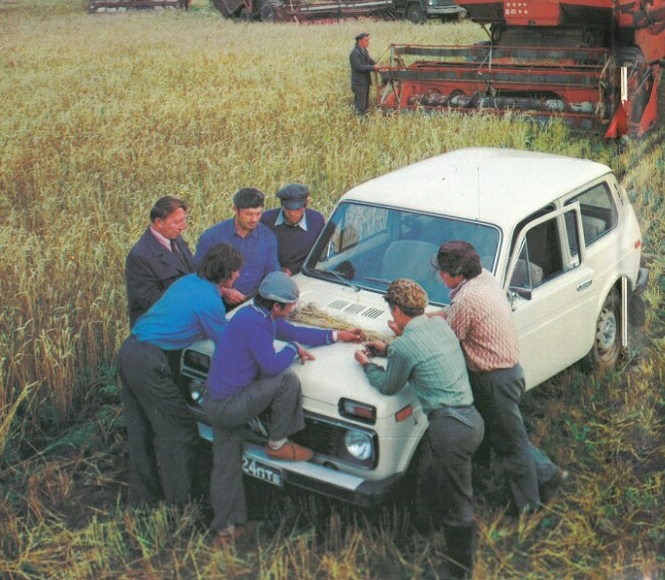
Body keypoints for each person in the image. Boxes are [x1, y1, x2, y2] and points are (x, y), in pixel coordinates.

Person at [204, 271, 363, 545]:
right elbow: (273, 365)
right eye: (290, 305)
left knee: (225, 465)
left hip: (215, 402)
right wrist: (292, 349)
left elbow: (294, 330)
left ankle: (226, 530)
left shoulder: (252, 315)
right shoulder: (257, 326)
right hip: (230, 405)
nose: (294, 309)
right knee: (286, 378)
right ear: (276, 306)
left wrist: (338, 334)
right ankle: (277, 443)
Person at [355, 279, 484, 579]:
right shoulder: (440, 327)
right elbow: (421, 352)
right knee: (433, 481)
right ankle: (424, 533)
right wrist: (388, 349)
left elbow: (389, 386)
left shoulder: (404, 345)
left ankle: (458, 570)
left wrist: (366, 363)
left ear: (396, 312)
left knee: (458, 500)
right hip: (471, 420)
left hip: (450, 429)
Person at [431, 240, 563, 515]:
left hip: (494, 380)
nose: (439, 276)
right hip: (505, 374)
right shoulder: (484, 279)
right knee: (508, 437)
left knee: (512, 448)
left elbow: (447, 340)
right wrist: (430, 317)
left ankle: (530, 508)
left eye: (443, 272)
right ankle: (549, 474)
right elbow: (451, 316)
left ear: (458, 274)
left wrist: (412, 332)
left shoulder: (467, 299)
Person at [116, 242, 243, 508]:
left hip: (129, 351)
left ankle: (142, 502)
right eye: (236, 272)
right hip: (150, 362)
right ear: (226, 274)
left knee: (140, 431)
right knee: (180, 432)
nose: (239, 276)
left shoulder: (189, 282)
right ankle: (182, 506)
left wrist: (222, 293)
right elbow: (228, 346)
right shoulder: (210, 302)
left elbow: (191, 305)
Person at [195, 187, 280, 303]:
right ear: (235, 209)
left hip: (255, 303)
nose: (254, 219)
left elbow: (273, 273)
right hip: (217, 302)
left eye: (258, 214)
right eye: (249, 214)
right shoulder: (212, 237)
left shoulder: (268, 236)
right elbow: (197, 276)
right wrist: (224, 292)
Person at [125, 195, 198, 326]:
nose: (183, 227)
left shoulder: (177, 239)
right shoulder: (139, 256)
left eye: (183, 221)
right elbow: (150, 301)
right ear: (159, 222)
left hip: (183, 323)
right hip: (156, 332)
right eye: (177, 222)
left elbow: (193, 273)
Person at [260, 183, 326, 275]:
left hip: (304, 273)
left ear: (306, 204)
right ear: (282, 205)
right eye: (288, 208)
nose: (292, 214)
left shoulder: (316, 220)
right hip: (270, 273)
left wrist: (292, 269)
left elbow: (318, 253)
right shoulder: (266, 220)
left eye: (297, 209)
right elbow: (259, 251)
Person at [349, 31, 379, 115]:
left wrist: (378, 66)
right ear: (359, 41)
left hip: (365, 82)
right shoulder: (354, 53)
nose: (368, 43)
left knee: (366, 105)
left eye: (368, 40)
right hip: (359, 84)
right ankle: (358, 123)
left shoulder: (364, 50)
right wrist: (373, 67)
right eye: (366, 41)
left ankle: (364, 123)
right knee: (360, 106)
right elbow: (359, 67)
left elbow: (369, 60)